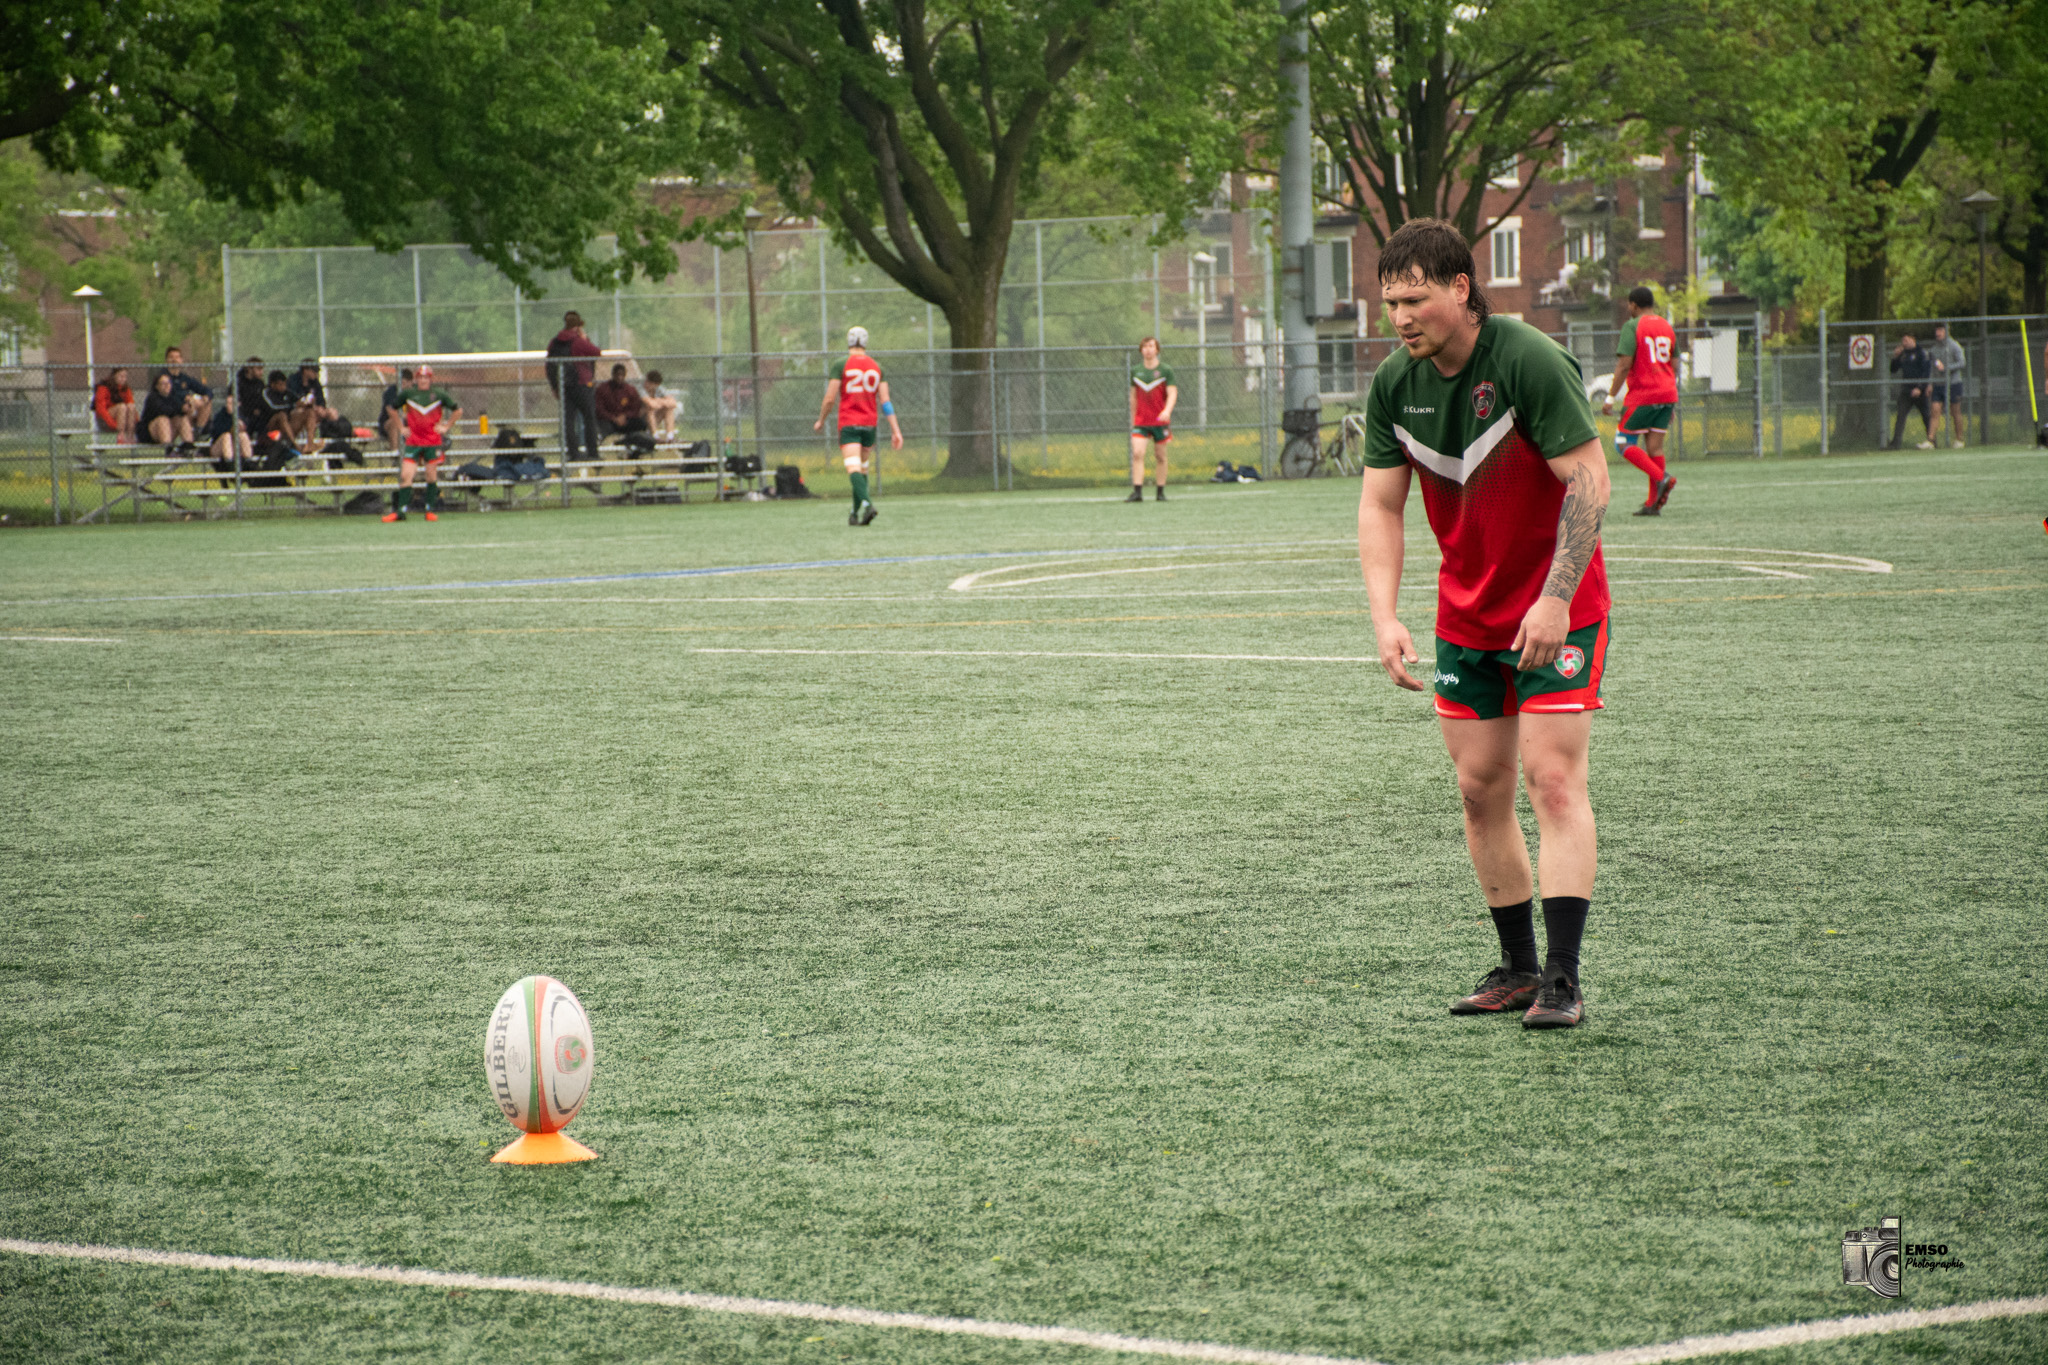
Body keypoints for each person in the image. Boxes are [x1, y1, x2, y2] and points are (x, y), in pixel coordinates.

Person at [1357, 218, 1612, 1031]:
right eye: (1391, 303)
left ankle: (1563, 979)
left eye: (1415, 299)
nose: (1401, 318)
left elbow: (1590, 479)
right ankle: (1518, 967)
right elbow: (1380, 504)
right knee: (1479, 790)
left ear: (1461, 288)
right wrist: (1385, 616)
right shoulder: (1395, 385)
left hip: (1557, 610)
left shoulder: (1527, 359)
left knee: (1552, 779)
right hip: (1466, 616)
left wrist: (1556, 597)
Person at [1600, 286, 1679, 515]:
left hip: (1644, 395)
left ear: (1633, 305)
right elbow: (1674, 365)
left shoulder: (1632, 326)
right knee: (1655, 448)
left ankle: (1662, 478)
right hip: (1667, 394)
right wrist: (1670, 399)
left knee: (1622, 443)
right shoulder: (1667, 326)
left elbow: (1624, 364)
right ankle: (1653, 504)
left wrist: (1610, 397)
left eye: (1629, 304)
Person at [813, 325, 902, 526]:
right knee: (861, 469)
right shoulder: (877, 367)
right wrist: (896, 430)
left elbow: (830, 398)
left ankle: (868, 505)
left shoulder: (841, 364)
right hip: (870, 424)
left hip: (849, 422)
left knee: (852, 467)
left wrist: (821, 420)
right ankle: (854, 513)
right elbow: (885, 402)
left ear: (849, 341)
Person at [383, 364, 460, 522]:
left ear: (430, 379)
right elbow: (391, 409)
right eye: (420, 377)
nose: (423, 380)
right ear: (416, 379)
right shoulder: (409, 394)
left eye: (426, 377)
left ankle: (429, 510)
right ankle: (401, 512)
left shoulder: (438, 394)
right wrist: (401, 427)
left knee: (431, 476)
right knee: (406, 475)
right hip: (413, 442)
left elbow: (457, 410)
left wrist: (446, 427)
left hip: (432, 442)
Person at [546, 311, 603, 468]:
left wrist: (555, 386)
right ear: (577, 326)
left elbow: (549, 365)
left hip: (564, 385)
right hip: (581, 384)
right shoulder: (578, 342)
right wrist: (584, 338)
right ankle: (593, 453)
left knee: (568, 420)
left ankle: (573, 452)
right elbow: (596, 352)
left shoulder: (555, 342)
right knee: (589, 418)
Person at [1127, 337, 1177, 502]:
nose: (1148, 349)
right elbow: (1133, 397)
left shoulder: (1165, 370)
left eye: (1151, 346)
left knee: (1160, 456)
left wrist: (1167, 411)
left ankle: (1160, 492)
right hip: (1141, 421)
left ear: (1157, 350)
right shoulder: (1136, 371)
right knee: (1137, 453)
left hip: (1159, 421)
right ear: (1141, 350)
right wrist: (1133, 419)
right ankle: (1137, 492)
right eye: (1145, 346)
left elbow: (1172, 393)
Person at [594, 362, 654, 454]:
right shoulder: (603, 389)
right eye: (617, 375)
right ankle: (603, 447)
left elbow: (635, 408)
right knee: (603, 427)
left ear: (625, 375)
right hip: (609, 421)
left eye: (622, 375)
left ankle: (627, 441)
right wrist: (613, 418)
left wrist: (625, 416)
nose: (620, 377)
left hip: (625, 420)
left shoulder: (630, 390)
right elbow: (599, 409)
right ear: (613, 374)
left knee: (641, 424)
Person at [1888, 333, 1934, 449]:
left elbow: (1926, 372)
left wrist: (1919, 388)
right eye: (1903, 340)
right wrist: (1895, 357)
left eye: (1907, 340)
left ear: (1913, 340)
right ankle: (1895, 444)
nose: (1904, 343)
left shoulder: (1922, 353)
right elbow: (1893, 369)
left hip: (1920, 392)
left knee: (1926, 416)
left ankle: (1932, 441)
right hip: (1906, 391)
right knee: (1900, 416)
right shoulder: (1903, 355)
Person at [153, 347, 213, 431]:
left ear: (181, 360)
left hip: (188, 405)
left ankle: (199, 431)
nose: (174, 360)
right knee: (190, 404)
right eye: (171, 357)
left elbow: (205, 390)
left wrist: (206, 397)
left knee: (206, 402)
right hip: (171, 408)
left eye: (177, 357)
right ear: (166, 360)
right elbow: (170, 394)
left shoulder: (184, 378)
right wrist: (186, 397)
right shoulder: (162, 377)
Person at [1927, 323, 1966, 448]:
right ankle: (1930, 440)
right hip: (1938, 384)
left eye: (1940, 330)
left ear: (1946, 331)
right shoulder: (1934, 349)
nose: (1938, 333)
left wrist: (1947, 368)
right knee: (1935, 411)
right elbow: (1932, 368)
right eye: (1936, 330)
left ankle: (1959, 439)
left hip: (1953, 384)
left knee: (1955, 412)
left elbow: (1962, 362)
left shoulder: (1954, 346)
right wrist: (1930, 383)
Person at [287, 358, 339, 447]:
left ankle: (333, 443)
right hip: (298, 411)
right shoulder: (293, 380)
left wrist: (321, 408)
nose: (316, 374)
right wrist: (307, 404)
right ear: (305, 370)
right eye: (313, 371)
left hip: (313, 409)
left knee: (332, 413)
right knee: (309, 413)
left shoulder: (315, 382)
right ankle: (309, 444)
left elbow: (321, 399)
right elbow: (294, 400)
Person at [139, 371, 193, 448]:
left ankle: (188, 446)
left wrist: (187, 408)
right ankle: (167, 448)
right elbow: (164, 410)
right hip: (151, 433)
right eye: (163, 383)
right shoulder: (152, 398)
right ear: (157, 386)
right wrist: (180, 409)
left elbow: (180, 409)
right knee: (163, 419)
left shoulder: (173, 397)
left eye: (168, 383)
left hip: (169, 431)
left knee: (182, 419)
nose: (167, 385)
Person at [93, 368, 136, 444]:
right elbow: (101, 410)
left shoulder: (126, 389)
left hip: (123, 422)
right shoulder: (103, 387)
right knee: (122, 407)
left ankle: (130, 437)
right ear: (114, 376)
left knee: (131, 406)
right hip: (105, 422)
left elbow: (131, 405)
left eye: (125, 376)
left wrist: (137, 422)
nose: (123, 379)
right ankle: (121, 436)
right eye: (121, 376)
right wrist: (114, 424)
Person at [380, 367, 414, 451]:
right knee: (394, 422)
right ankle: (396, 453)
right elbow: (390, 411)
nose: (402, 386)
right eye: (400, 383)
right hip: (389, 423)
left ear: (410, 383)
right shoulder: (391, 392)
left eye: (404, 383)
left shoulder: (415, 393)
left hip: (408, 422)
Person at [642, 369, 679, 441]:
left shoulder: (659, 389)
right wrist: (662, 402)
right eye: (647, 381)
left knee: (668, 409)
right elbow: (651, 404)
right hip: (641, 418)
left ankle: (670, 437)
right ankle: (654, 436)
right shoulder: (641, 389)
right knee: (650, 409)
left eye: (650, 383)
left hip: (654, 418)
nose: (647, 384)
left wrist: (658, 401)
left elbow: (673, 403)